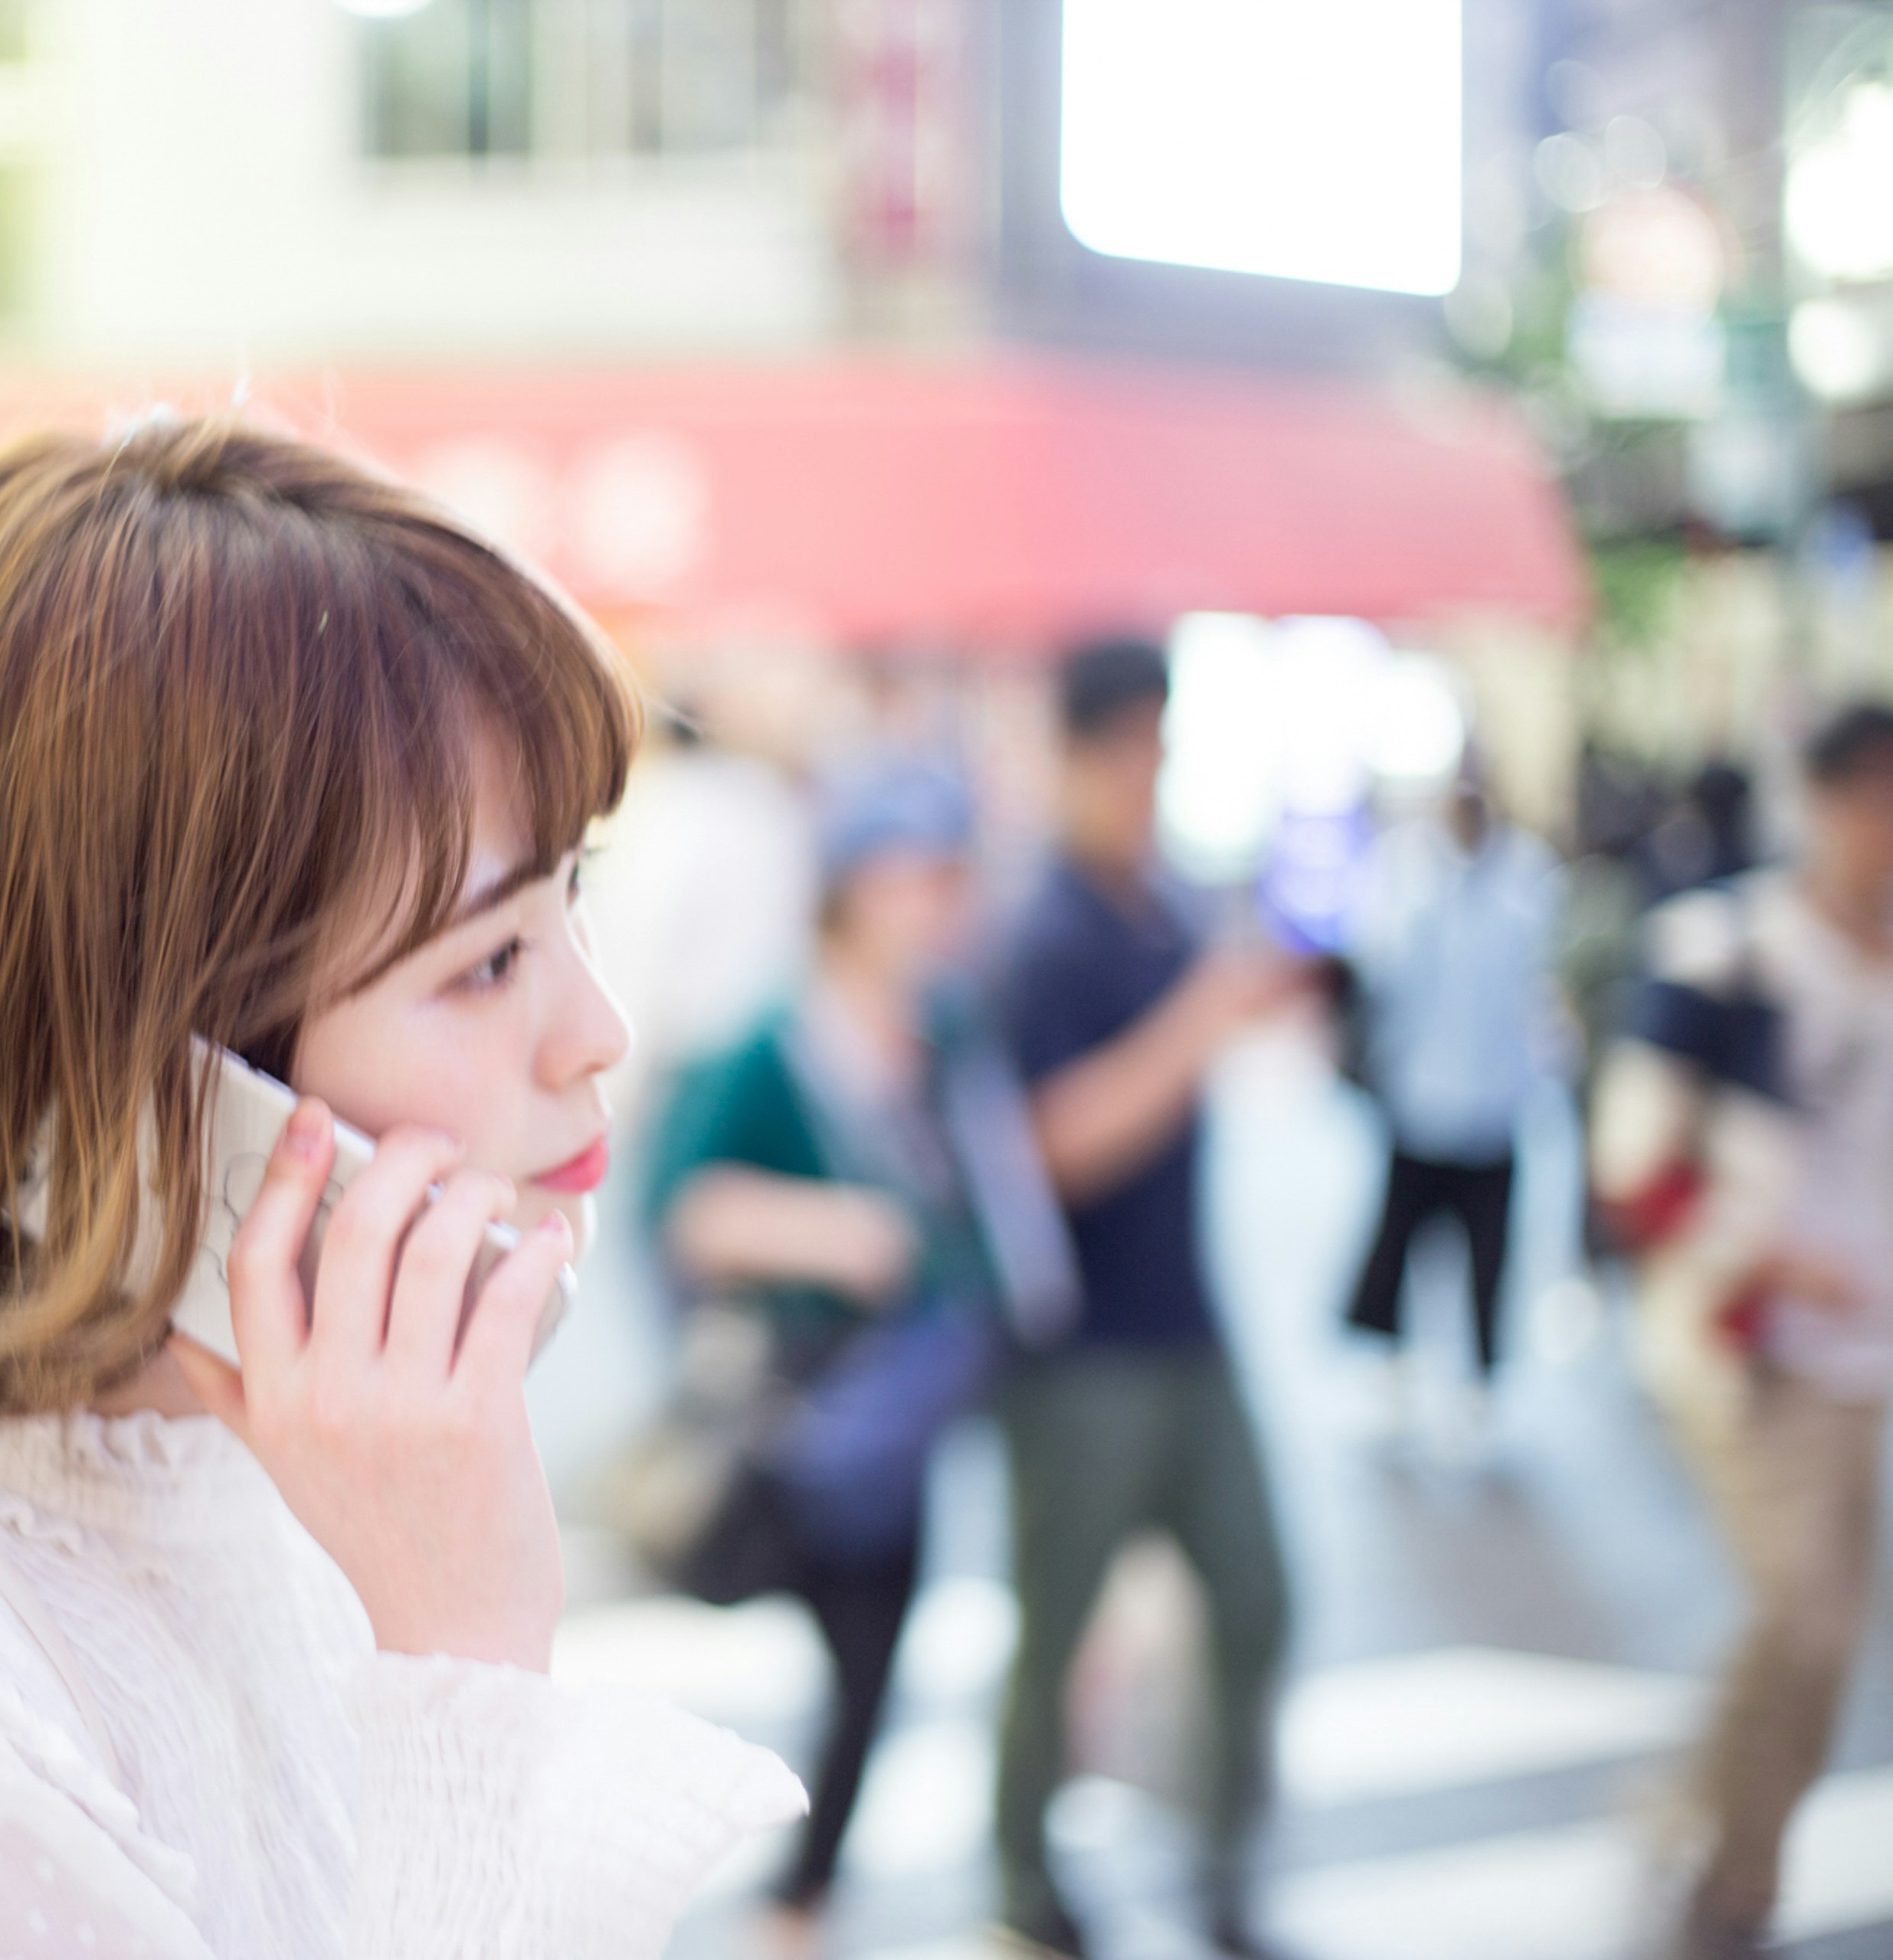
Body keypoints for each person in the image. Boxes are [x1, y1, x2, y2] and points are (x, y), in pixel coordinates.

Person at [0, 418, 804, 1960]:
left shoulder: (283, 1501)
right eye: (487, 962)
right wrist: (461, 1663)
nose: (597, 1033)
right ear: (164, 1089)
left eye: (571, 898)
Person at [647, 756, 1073, 1956]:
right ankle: (789, 1896)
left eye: (955, 878)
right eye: (921, 877)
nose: (946, 904)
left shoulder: (948, 1025)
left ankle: (801, 1899)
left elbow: (995, 1214)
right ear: (854, 888)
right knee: (842, 1645)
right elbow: (680, 1208)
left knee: (873, 1668)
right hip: (807, 1399)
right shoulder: (773, 1040)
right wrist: (828, 1233)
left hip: (911, 1405)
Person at [990, 638, 1305, 1960]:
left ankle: (1225, 1865)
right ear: (1069, 757)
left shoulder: (1163, 907)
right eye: (1119, 747)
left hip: (1189, 1329)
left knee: (1258, 1595)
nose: (1142, 775)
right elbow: (1049, 1146)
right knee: (1058, 1627)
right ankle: (1023, 1877)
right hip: (1080, 1352)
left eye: (1156, 746)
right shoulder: (1039, 932)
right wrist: (1197, 1025)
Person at [1590, 703, 1893, 1960]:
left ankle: (1702, 1816)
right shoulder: (1725, 950)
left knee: (1815, 1632)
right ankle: (1730, 1880)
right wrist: (1768, 1257)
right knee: (1806, 1617)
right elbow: (1633, 1167)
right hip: (1753, 1344)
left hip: (1866, 1349)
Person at [1341, 757, 1564, 1453]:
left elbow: (1537, 979)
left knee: (1489, 1245)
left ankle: (1482, 1384)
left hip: (1494, 1100)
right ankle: (1392, 1364)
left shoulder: (1528, 875)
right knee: (1400, 1234)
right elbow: (1381, 968)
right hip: (1421, 1093)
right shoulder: (1407, 869)